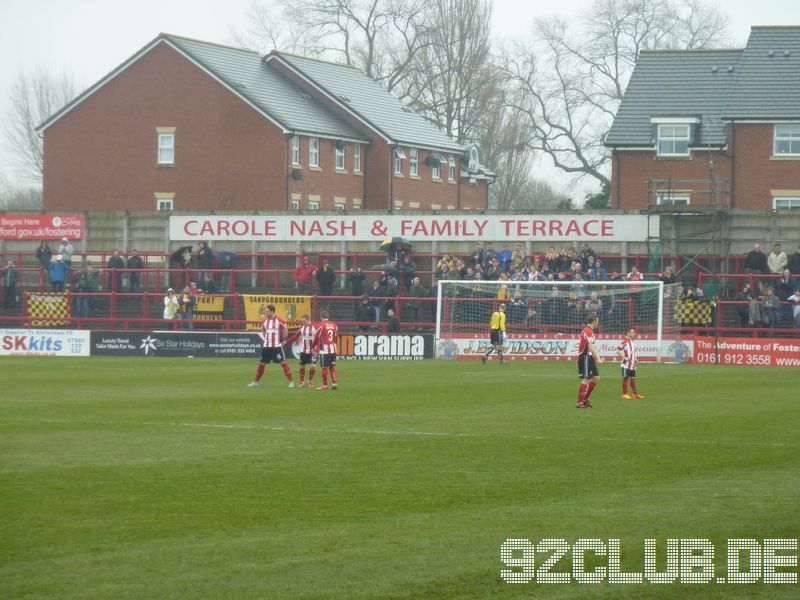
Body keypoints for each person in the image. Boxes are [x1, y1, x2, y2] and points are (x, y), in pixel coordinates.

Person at [248, 304, 295, 388]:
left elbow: (285, 332)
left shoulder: (280, 321)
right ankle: (256, 382)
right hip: (266, 346)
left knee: (283, 363)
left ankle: (291, 382)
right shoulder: (265, 322)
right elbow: (264, 332)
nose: (266, 313)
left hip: (276, 346)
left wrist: (282, 340)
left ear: (272, 312)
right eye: (265, 311)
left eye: (267, 311)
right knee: (261, 363)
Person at [577, 313, 603, 409]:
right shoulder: (587, 331)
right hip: (585, 357)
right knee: (587, 379)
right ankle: (580, 402)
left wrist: (595, 358)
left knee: (596, 378)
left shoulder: (590, 331)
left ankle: (585, 399)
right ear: (593, 321)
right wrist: (598, 358)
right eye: (597, 321)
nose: (598, 323)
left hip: (589, 357)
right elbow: (590, 346)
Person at [284, 314, 317, 388]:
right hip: (303, 350)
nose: (302, 323)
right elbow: (295, 336)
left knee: (313, 366)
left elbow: (318, 339)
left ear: (308, 320)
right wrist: (286, 342)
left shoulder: (315, 327)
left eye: (304, 321)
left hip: (312, 351)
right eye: (302, 321)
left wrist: (317, 349)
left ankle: (310, 382)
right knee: (302, 366)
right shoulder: (302, 328)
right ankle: (302, 382)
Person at [312, 308, 339, 390]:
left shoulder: (321, 325)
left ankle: (324, 385)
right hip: (333, 348)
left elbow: (316, 337)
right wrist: (334, 345)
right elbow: (336, 337)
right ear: (328, 316)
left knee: (324, 367)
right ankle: (334, 383)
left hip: (325, 349)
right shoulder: (334, 325)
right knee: (332, 367)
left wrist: (314, 347)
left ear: (321, 317)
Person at [616, 328, 644, 400]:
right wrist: (624, 357)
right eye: (632, 332)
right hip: (626, 364)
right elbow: (617, 350)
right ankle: (625, 394)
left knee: (633, 379)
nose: (633, 334)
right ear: (628, 333)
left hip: (632, 364)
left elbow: (632, 352)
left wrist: (636, 359)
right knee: (625, 378)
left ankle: (635, 394)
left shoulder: (632, 342)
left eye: (634, 332)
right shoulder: (624, 342)